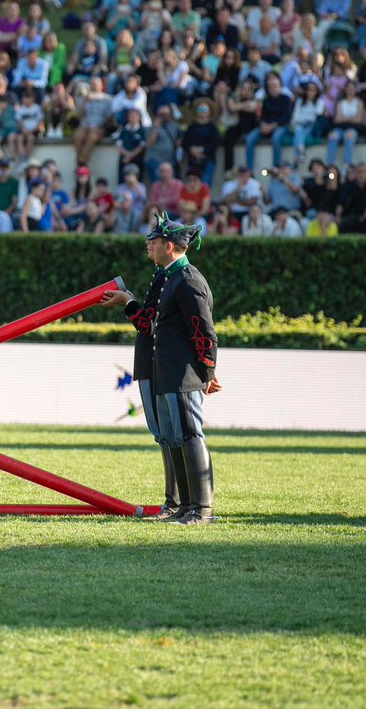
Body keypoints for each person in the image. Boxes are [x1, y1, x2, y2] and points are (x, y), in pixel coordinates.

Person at [100, 213, 221, 525]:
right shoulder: (169, 276)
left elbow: (203, 331)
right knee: (172, 436)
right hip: (168, 371)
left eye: (152, 242)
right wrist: (129, 303)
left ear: (169, 246)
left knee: (191, 434)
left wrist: (207, 373)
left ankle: (201, 509)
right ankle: (183, 506)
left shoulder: (188, 279)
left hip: (182, 373)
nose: (147, 246)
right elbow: (153, 325)